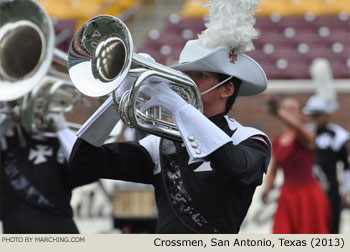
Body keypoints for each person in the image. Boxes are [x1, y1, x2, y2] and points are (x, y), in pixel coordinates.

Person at [68, 0, 271, 233]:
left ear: (227, 90)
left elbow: (236, 167)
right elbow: (82, 165)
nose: (187, 81)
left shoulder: (250, 138)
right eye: (186, 74)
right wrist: (119, 97)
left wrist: (177, 106)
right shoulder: (161, 143)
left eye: (201, 75)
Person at [0, 109, 79, 234]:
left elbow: (84, 159)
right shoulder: (8, 139)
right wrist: (8, 114)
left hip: (59, 227)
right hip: (16, 228)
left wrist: (62, 128)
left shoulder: (58, 140)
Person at [262, 96, 330, 234]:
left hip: (308, 197)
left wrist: (279, 113)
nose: (287, 113)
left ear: (300, 114)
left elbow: (300, 129)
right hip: (286, 196)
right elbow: (273, 170)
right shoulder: (277, 141)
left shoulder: (306, 136)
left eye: (292, 109)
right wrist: (266, 190)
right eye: (285, 109)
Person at [302, 59, 350, 234]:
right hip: (307, 188)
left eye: (318, 115)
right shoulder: (304, 133)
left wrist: (345, 191)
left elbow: (346, 167)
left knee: (331, 229)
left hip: (330, 189)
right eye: (313, 115)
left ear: (326, 115)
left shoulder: (339, 135)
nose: (315, 119)